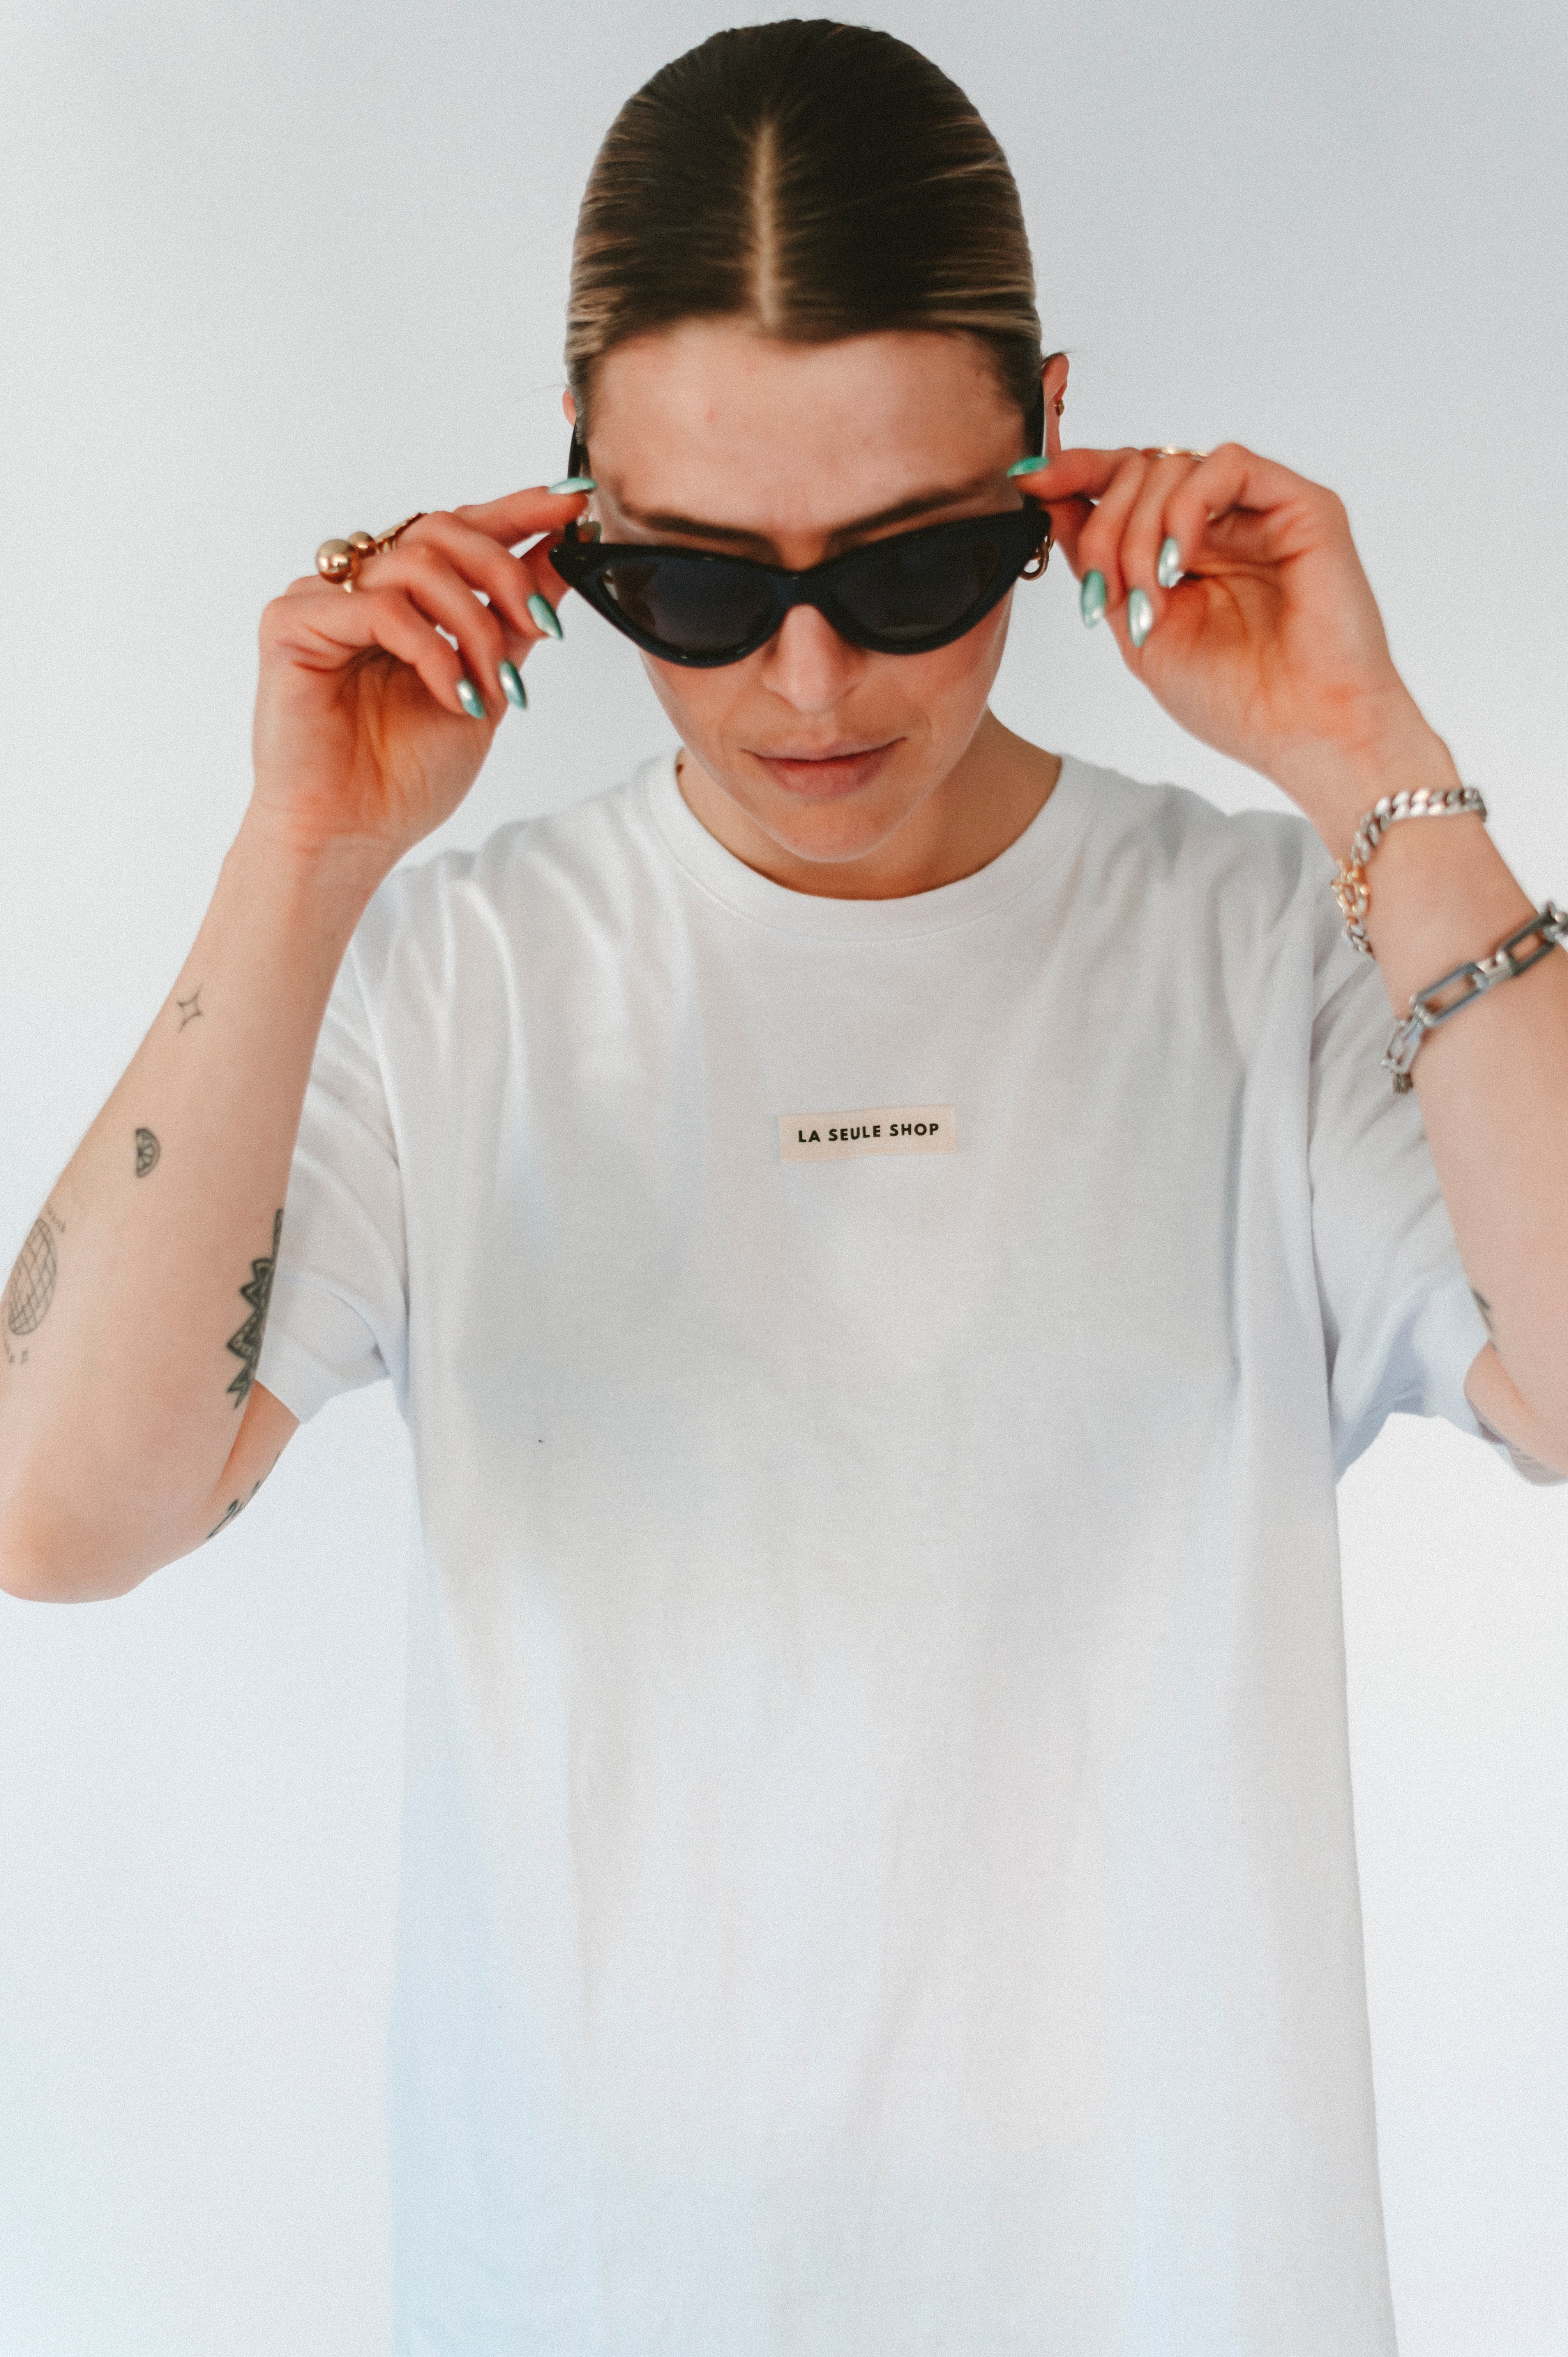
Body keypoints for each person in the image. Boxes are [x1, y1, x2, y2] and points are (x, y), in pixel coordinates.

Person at [2, 17, 1564, 2353]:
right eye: (698, 588)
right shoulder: (458, 978)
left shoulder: (1269, 955)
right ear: (574, 504)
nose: (811, 680)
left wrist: (1373, 764)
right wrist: (299, 853)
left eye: (917, 565)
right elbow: (56, 1514)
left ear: (1046, 449)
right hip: (599, 2293)